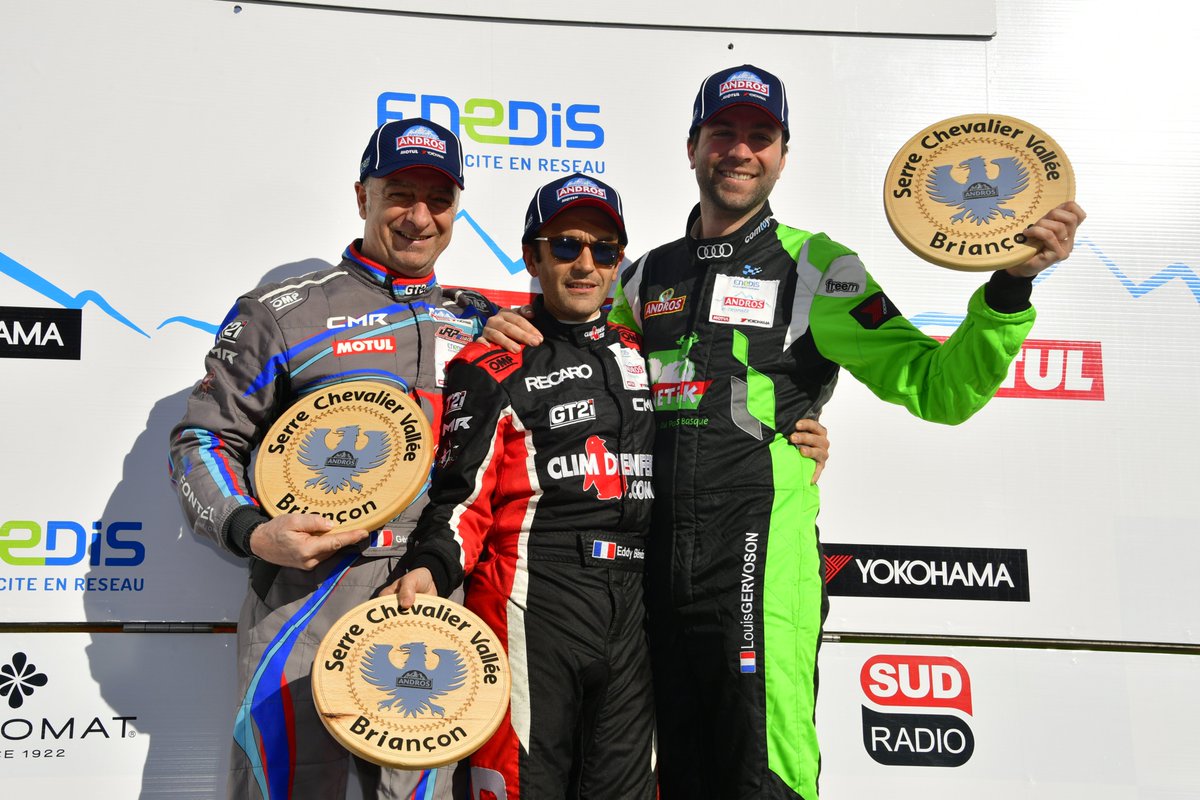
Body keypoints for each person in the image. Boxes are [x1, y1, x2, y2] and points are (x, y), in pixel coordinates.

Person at [482, 64, 1087, 799]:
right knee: (669, 778)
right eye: (723, 132)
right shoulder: (643, 276)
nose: (740, 150)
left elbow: (938, 388)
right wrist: (512, 326)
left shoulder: (818, 266)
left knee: (762, 770)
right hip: (647, 570)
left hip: (757, 556)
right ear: (693, 146)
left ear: (782, 155)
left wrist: (1010, 287)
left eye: (759, 136)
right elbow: (590, 367)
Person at [168, 118, 496, 800]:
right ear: (361, 196)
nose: (419, 217)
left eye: (438, 200)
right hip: (305, 592)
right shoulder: (284, 312)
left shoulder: (479, 320)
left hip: (427, 593)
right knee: (290, 785)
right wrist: (254, 532)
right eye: (399, 194)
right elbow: (202, 441)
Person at [385, 173, 658, 800]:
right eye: (565, 246)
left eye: (604, 249)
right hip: (533, 598)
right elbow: (461, 496)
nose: (585, 264)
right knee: (520, 788)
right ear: (533, 257)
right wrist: (430, 565)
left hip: (636, 605)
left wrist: (798, 435)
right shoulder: (491, 360)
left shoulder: (647, 353)